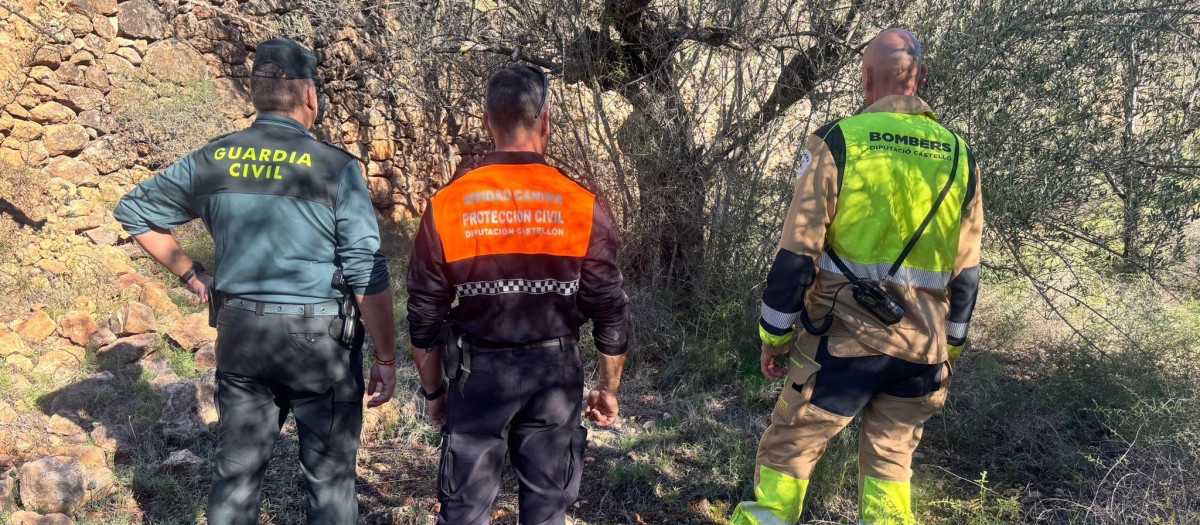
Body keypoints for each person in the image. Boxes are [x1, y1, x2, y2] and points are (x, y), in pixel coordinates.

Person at [113, 38, 397, 524]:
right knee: (329, 481)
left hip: (241, 334)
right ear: (310, 95)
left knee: (237, 473)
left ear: (256, 95)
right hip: (319, 343)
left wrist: (193, 275)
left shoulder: (214, 159)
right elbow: (365, 272)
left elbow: (134, 212)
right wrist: (388, 356)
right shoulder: (336, 168)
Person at [731, 29, 983, 525]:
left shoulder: (839, 141)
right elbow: (967, 272)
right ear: (922, 79)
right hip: (922, 353)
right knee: (891, 477)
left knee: (788, 454)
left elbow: (797, 252)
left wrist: (774, 334)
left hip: (841, 344)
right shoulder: (960, 156)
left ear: (865, 78)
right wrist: (950, 348)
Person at [406, 65, 631, 525]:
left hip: (476, 375)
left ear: (487, 122)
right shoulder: (582, 206)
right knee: (548, 510)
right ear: (545, 120)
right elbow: (610, 311)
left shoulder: (446, 206)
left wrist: (434, 392)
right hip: (555, 374)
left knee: (464, 511)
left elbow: (424, 315)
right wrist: (607, 390)